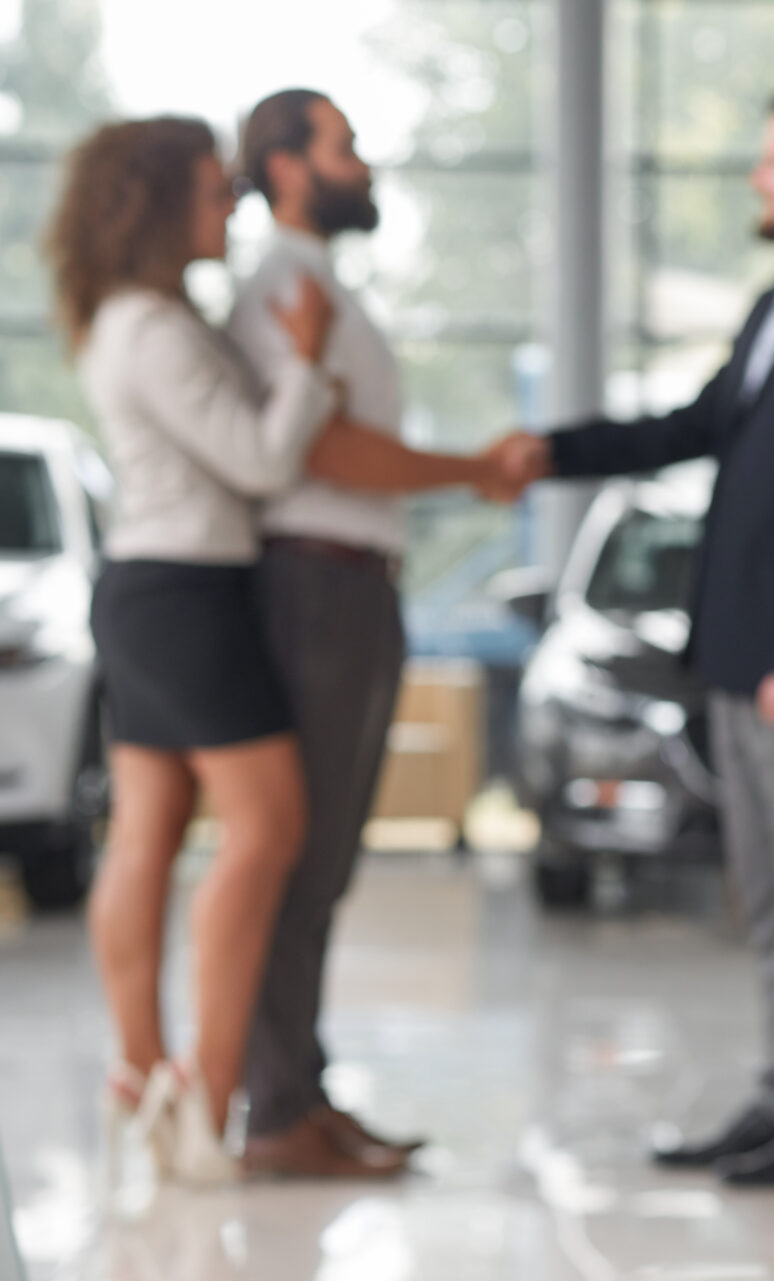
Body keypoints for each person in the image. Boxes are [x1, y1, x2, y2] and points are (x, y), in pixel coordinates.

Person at [44, 116, 518, 1187]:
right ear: (160, 203)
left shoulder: (166, 314)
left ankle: (158, 1081)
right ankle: (215, 1100)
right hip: (186, 592)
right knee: (269, 832)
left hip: (174, 586)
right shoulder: (173, 322)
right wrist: (305, 369)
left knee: (155, 832)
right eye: (216, 189)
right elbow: (266, 461)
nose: (234, 202)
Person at [492, 90, 774, 1185]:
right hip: (734, 655)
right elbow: (692, 427)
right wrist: (556, 449)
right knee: (771, 897)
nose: (756, 178)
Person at [227, 88, 522, 1179]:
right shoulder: (282, 288)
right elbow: (332, 454)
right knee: (299, 857)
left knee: (326, 858)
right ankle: (276, 1109)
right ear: (290, 167)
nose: (365, 164)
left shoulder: (319, 288)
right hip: (314, 587)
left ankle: (298, 1089)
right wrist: (476, 471)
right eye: (344, 146)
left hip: (351, 586)